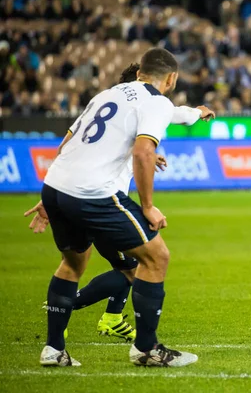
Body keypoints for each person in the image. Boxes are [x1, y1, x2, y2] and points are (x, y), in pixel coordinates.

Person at [35, 48, 202, 367]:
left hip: (56, 186)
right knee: (156, 257)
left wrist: (50, 196)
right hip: (94, 193)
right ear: (172, 78)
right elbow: (143, 153)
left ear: (139, 72)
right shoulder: (156, 101)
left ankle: (54, 350)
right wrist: (148, 206)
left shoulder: (106, 94)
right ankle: (146, 349)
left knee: (72, 263)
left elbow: (66, 145)